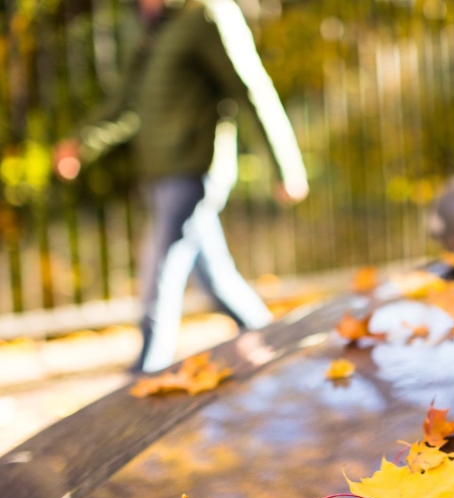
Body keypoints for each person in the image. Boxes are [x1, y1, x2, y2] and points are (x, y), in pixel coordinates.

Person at [54, 0, 308, 372]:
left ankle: (147, 371)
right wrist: (81, 142)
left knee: (161, 269)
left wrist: (285, 165)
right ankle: (274, 342)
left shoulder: (206, 13)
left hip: (194, 169)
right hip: (159, 173)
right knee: (216, 278)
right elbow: (129, 103)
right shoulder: (156, 26)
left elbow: (249, 88)